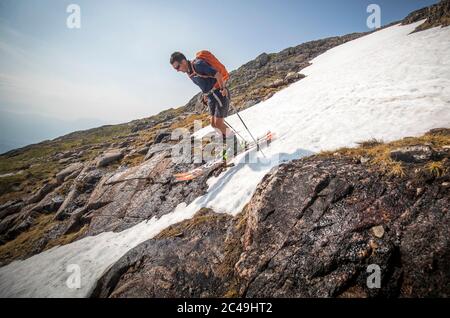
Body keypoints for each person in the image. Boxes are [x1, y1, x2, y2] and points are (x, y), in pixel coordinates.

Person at [170, 51, 238, 160]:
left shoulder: (198, 64)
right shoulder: (189, 72)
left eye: (177, 67)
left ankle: (235, 145)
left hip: (219, 93)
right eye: (175, 69)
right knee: (213, 124)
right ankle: (228, 143)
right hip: (211, 97)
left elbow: (217, 74)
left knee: (218, 123)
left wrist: (223, 89)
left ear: (183, 61)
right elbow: (204, 83)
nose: (177, 70)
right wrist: (205, 95)